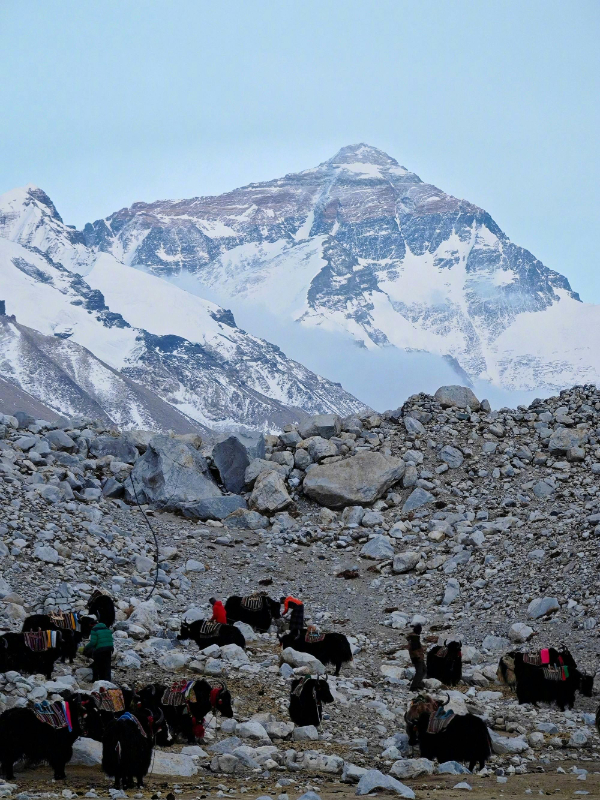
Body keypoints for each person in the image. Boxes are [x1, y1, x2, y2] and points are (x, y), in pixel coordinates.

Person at [407, 623, 425, 691]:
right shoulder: (415, 639)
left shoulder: (413, 637)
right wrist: (418, 656)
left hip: (417, 657)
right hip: (417, 658)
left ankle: (418, 684)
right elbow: (414, 650)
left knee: (423, 670)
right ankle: (414, 686)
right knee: (420, 671)